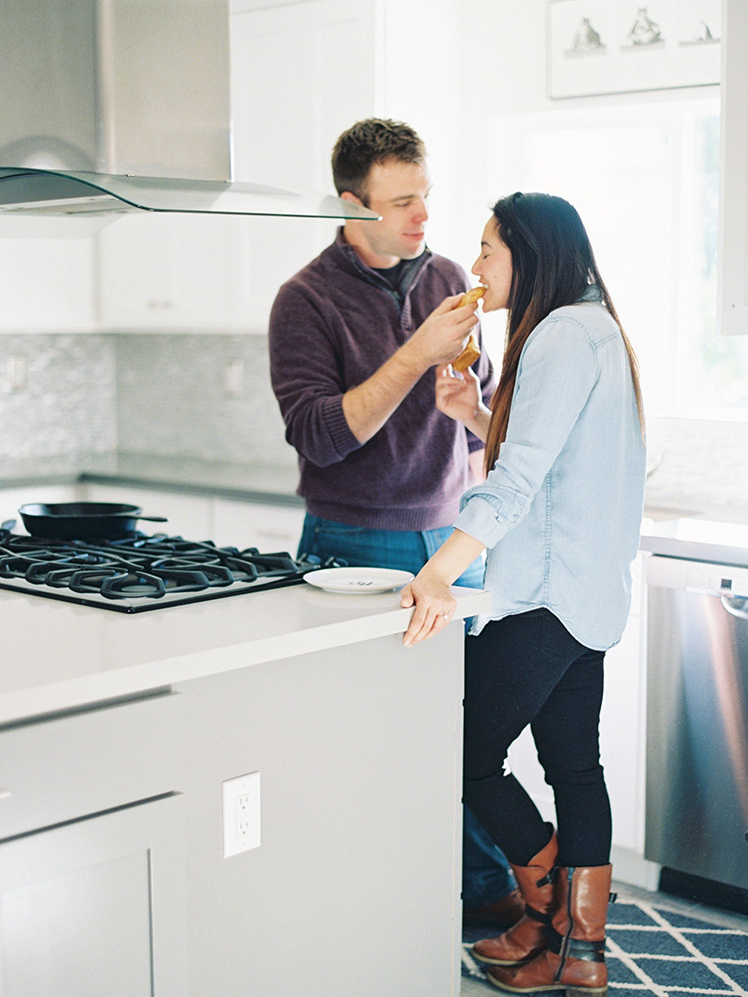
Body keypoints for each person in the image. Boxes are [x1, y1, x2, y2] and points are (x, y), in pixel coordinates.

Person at [268, 118, 522, 929]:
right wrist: (415, 352)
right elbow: (320, 435)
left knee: (466, 737)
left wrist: (468, 384)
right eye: (402, 201)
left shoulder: (448, 273)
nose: (422, 216)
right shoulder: (303, 301)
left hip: (454, 539)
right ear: (351, 203)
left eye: (426, 196)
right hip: (356, 542)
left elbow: (470, 395)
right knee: (369, 746)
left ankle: (480, 899)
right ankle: (373, 908)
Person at [399, 191, 646, 994]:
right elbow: (554, 466)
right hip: (586, 594)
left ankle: (551, 921)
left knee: (465, 754)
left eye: (488, 248)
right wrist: (473, 410)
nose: (475, 266)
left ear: (529, 253)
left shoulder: (558, 338)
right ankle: (579, 954)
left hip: (543, 598)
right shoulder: (595, 326)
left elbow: (515, 483)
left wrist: (439, 568)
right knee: (575, 766)